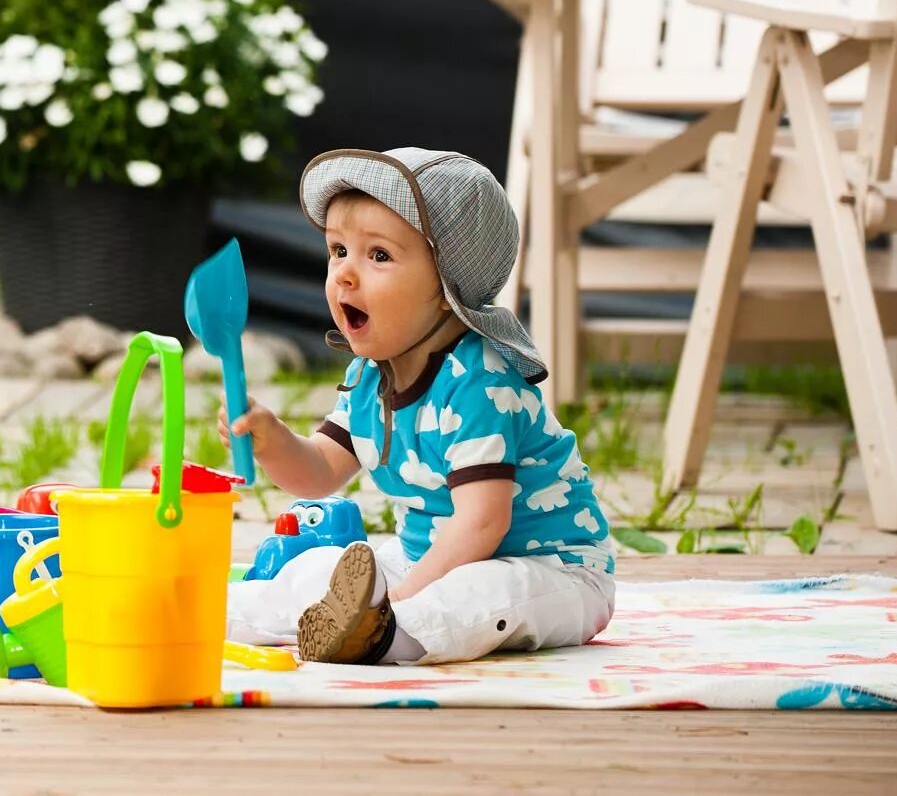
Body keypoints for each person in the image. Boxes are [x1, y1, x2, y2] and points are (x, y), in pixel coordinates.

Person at [222, 147, 615, 665]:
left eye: (378, 255)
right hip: (431, 560)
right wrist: (272, 440)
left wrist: (404, 596)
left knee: (476, 596)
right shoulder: (370, 376)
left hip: (549, 571)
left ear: (448, 286)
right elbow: (319, 471)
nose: (344, 274)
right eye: (338, 250)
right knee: (318, 569)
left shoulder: (480, 382)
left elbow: (483, 525)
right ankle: (203, 610)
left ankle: (381, 634)